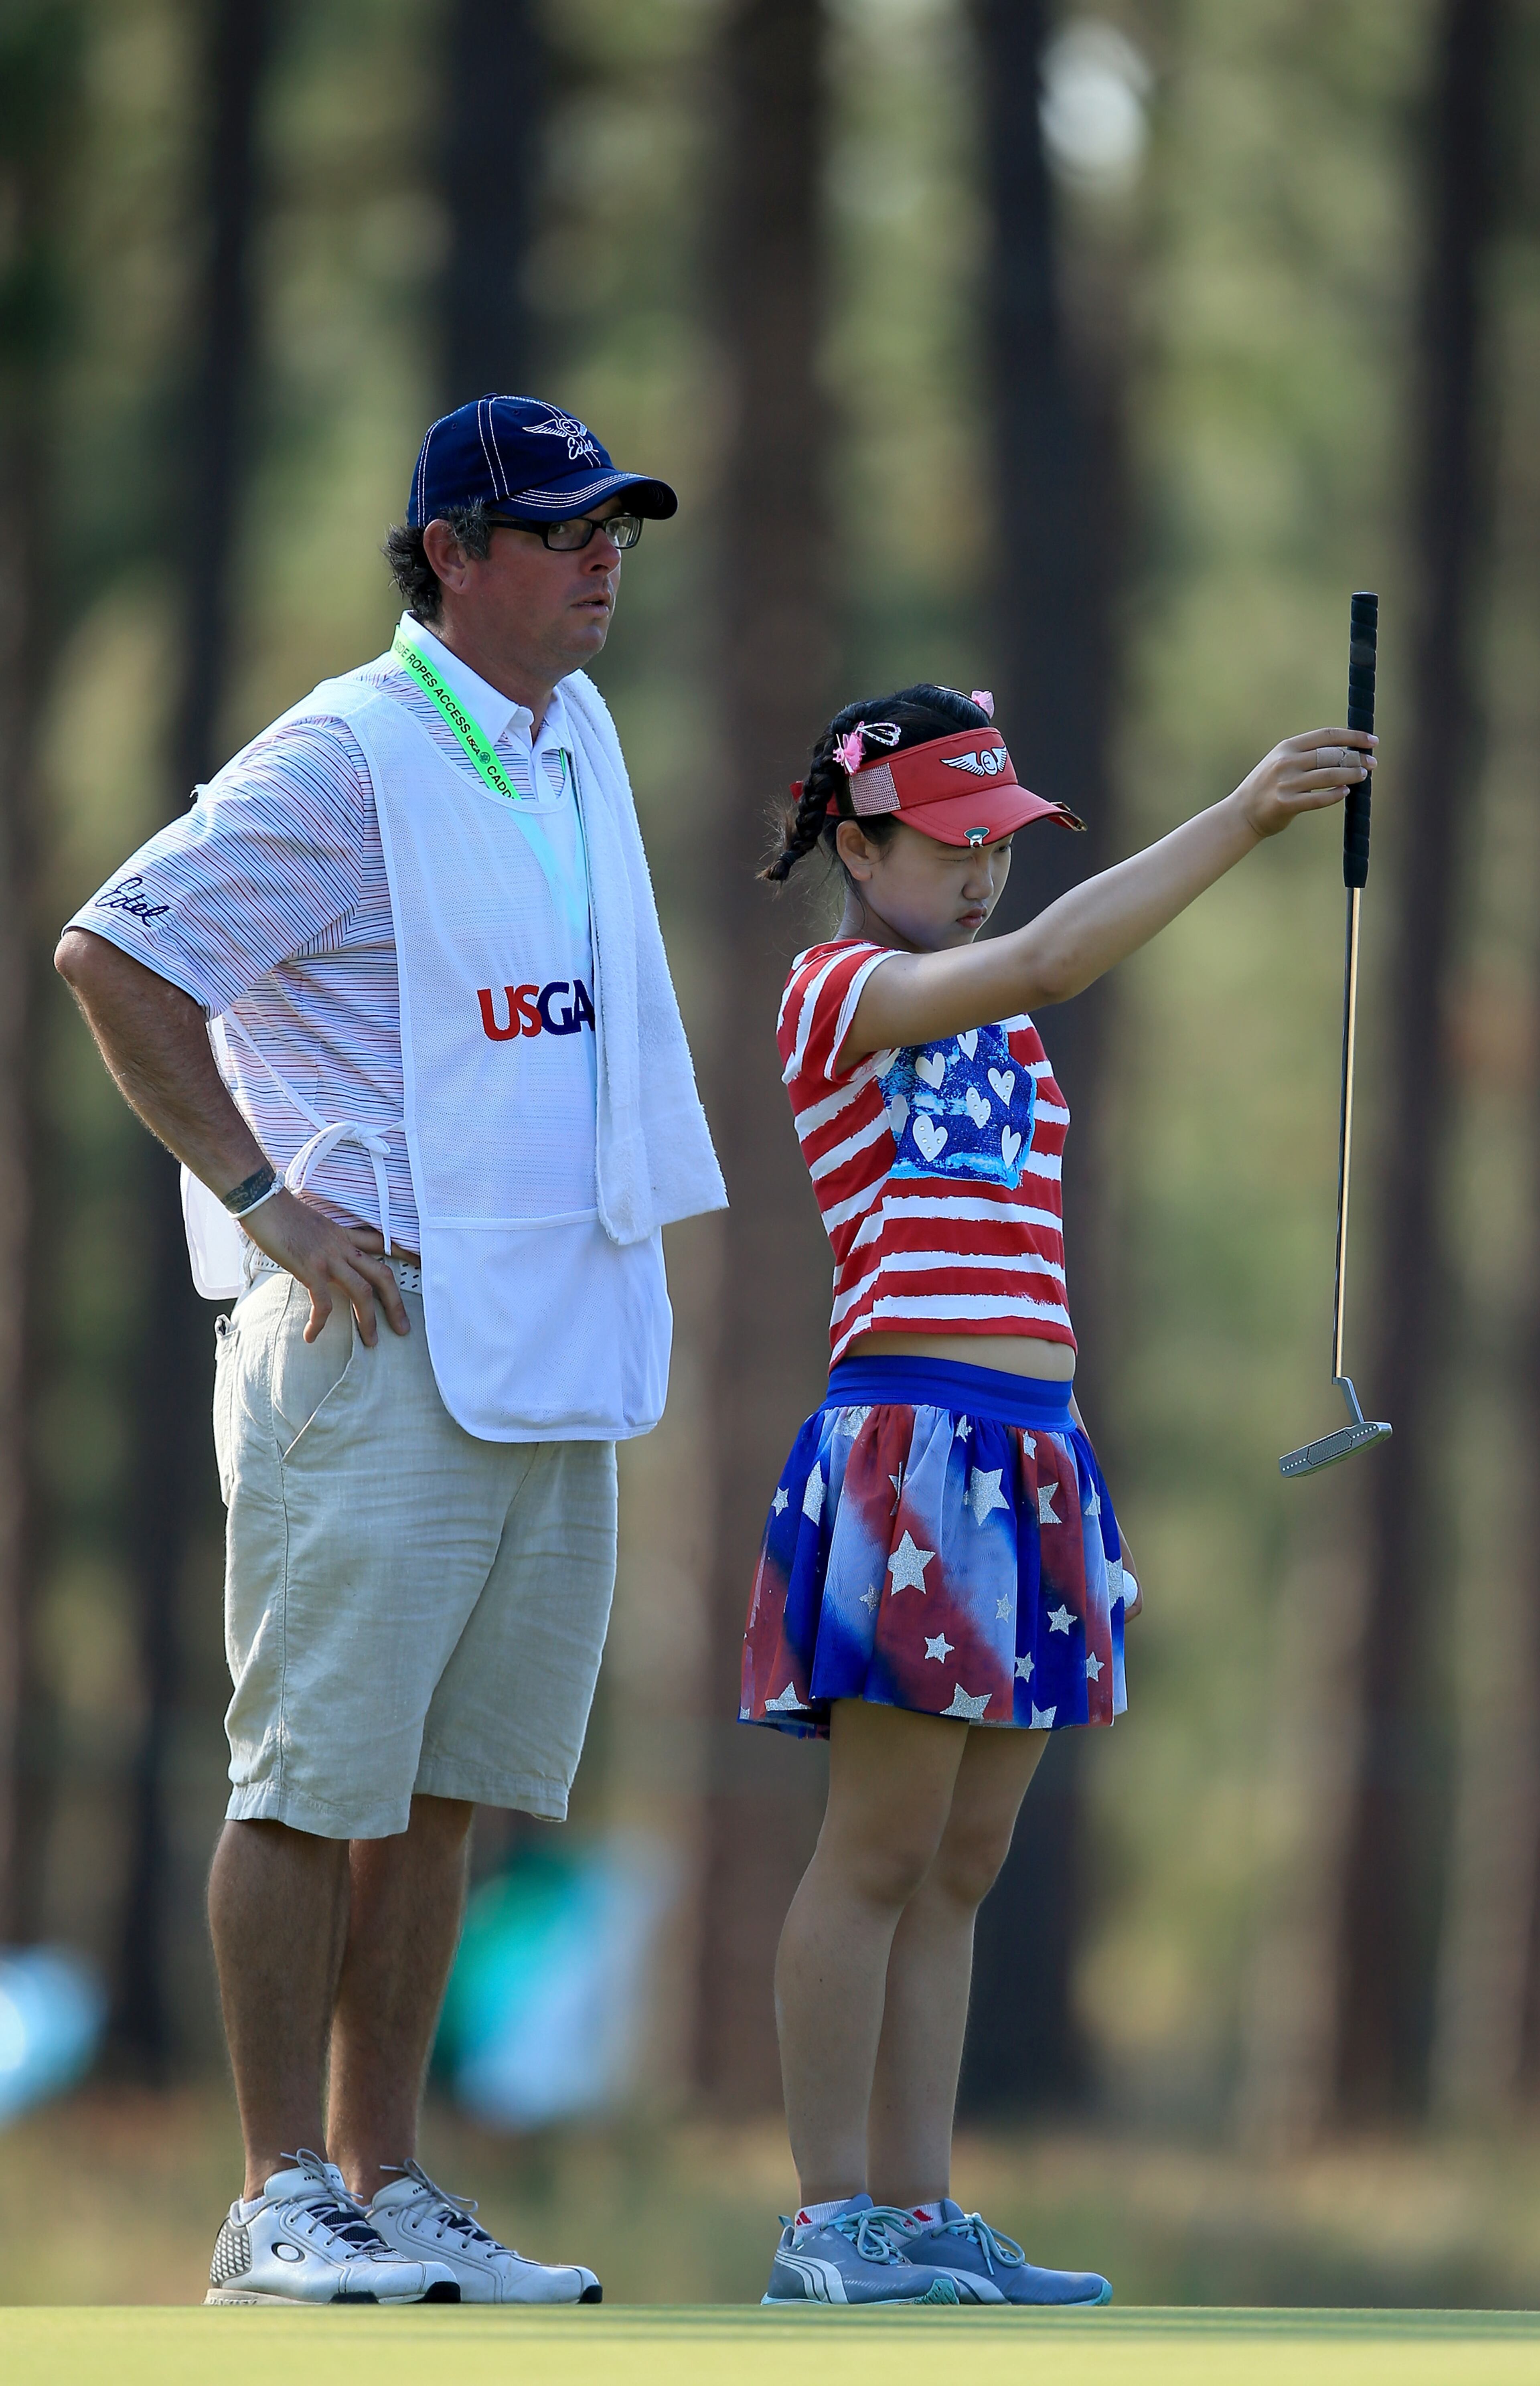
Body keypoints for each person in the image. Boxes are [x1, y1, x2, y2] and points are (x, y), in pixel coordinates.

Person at [55, 394, 725, 2307]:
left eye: (620, 525)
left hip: (537, 1331)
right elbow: (119, 951)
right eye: (563, 527)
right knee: (312, 1780)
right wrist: (260, 1192)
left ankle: (390, 2180)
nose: (606, 555)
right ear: (451, 553)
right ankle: (278, 2195)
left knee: (445, 1794)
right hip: (370, 1334)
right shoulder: (349, 754)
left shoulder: (567, 736)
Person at [742, 683, 1374, 2307]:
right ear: (856, 839)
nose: (980, 877)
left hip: (1034, 1455)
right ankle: (828, 2225)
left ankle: (918, 2207)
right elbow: (1044, 961)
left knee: (962, 1860)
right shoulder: (843, 989)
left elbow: (1031, 976)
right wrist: (1241, 819)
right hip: (912, 1445)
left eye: (1000, 848)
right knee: (877, 1848)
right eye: (950, 844)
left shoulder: (1002, 1020)